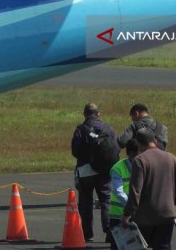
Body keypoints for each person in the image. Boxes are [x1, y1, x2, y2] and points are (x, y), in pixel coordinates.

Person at [122, 129, 176, 250]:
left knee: (142, 246)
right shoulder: (171, 158)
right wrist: (172, 203)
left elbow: (135, 191)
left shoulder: (140, 160)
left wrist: (127, 214)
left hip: (146, 216)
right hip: (167, 213)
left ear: (139, 143)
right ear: (155, 140)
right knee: (163, 246)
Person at [70, 102, 117, 244]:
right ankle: (109, 232)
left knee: (86, 202)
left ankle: (87, 234)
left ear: (84, 114)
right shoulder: (108, 128)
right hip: (105, 170)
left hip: (86, 171)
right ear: (99, 114)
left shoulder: (81, 129)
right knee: (106, 200)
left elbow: (75, 151)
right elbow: (115, 148)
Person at [109, 139, 139, 250]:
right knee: (118, 245)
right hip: (119, 214)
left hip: (136, 213)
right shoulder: (118, 168)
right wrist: (132, 207)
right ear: (131, 153)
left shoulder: (143, 165)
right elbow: (118, 191)